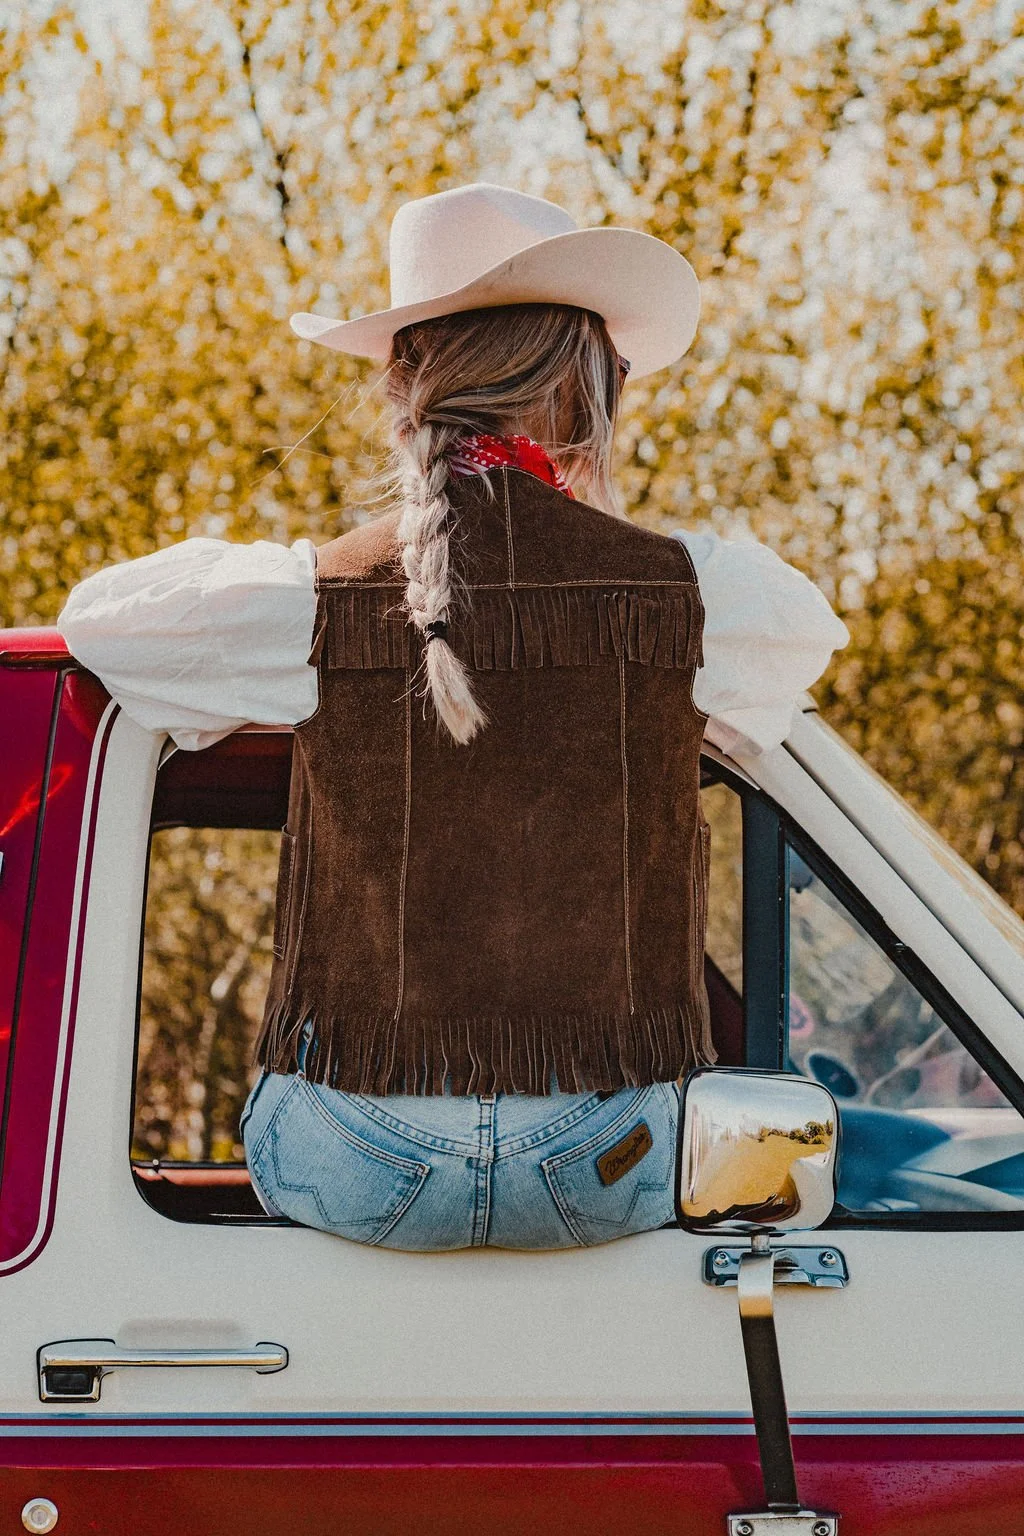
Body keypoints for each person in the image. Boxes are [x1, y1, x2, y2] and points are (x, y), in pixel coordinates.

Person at [58, 183, 849, 1251]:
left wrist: (319, 582)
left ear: (401, 388)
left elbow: (99, 623)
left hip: (353, 1151)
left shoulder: (312, 598)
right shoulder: (700, 601)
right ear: (587, 390)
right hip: (603, 1155)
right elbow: (803, 646)